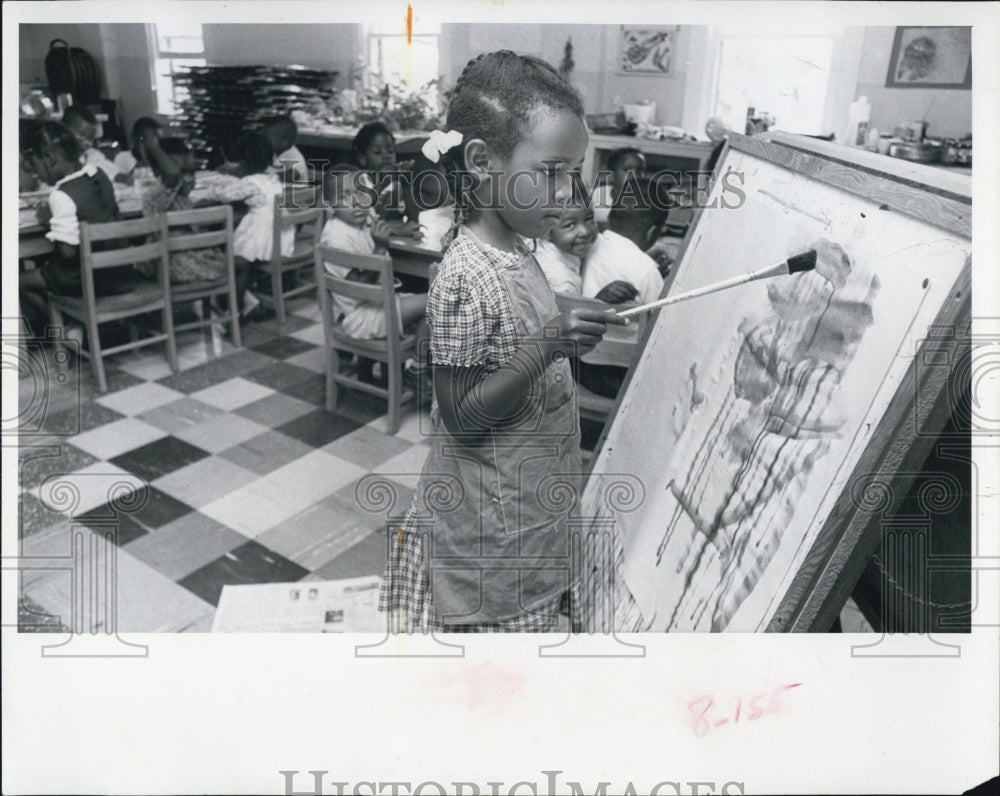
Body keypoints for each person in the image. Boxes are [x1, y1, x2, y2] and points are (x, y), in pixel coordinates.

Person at [379, 50, 625, 633]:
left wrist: (567, 337)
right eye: (550, 173)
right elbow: (462, 417)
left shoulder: (522, 248)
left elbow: (523, 343)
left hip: (525, 516)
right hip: (487, 546)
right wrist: (544, 345)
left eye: (575, 174)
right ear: (483, 162)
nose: (568, 194)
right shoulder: (465, 275)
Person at [320, 163, 427, 341]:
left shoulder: (361, 215)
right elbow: (359, 291)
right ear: (330, 205)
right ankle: (415, 367)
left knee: (433, 313)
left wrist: (399, 231)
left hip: (381, 303)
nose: (356, 202)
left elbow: (375, 225)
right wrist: (380, 248)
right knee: (437, 301)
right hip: (360, 317)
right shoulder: (335, 239)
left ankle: (413, 365)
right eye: (344, 196)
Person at [207, 131, 293, 313]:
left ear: (243, 162)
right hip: (279, 236)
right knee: (242, 259)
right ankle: (244, 300)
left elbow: (224, 195)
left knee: (237, 262)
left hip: (259, 237)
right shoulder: (272, 178)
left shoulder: (250, 182)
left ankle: (234, 306)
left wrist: (215, 188)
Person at [139, 137, 228, 284]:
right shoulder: (158, 193)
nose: (189, 181)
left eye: (190, 175)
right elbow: (172, 174)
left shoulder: (171, 196)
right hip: (191, 265)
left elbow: (173, 173)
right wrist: (153, 147)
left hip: (183, 265)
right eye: (184, 175)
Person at [351, 121, 421, 237]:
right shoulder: (358, 182)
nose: (386, 156)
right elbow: (362, 221)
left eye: (390, 151)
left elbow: (413, 220)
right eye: (377, 152)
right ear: (362, 158)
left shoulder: (396, 184)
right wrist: (382, 184)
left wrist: (407, 184)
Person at [60, 105, 132, 186]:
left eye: (91, 138)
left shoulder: (91, 155)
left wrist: (121, 177)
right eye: (82, 136)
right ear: (64, 131)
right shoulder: (58, 158)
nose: (89, 143)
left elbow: (109, 169)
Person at [592, 146, 645, 227]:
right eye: (627, 170)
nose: (635, 176)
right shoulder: (598, 194)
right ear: (612, 175)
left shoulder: (646, 199)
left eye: (639, 170)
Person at [261, 114, 309, 182]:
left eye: (268, 140)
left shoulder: (294, 156)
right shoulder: (275, 154)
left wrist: (263, 177)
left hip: (296, 192)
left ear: (284, 142)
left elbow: (292, 174)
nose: (265, 142)